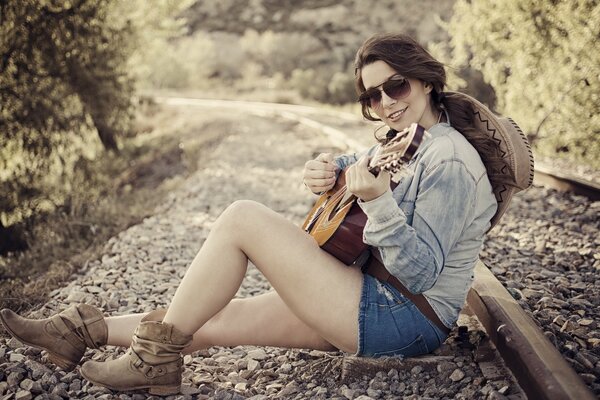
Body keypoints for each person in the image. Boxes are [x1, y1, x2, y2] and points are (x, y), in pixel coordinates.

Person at [0, 33, 515, 395]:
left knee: (243, 217)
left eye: (395, 87)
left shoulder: (448, 160)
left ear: (425, 80)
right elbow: (366, 164)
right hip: (366, 292)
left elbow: (421, 272)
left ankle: (151, 364)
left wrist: (377, 203)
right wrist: (327, 168)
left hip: (404, 317)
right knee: (213, 314)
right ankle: (77, 333)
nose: (384, 102)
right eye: (371, 97)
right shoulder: (411, 137)